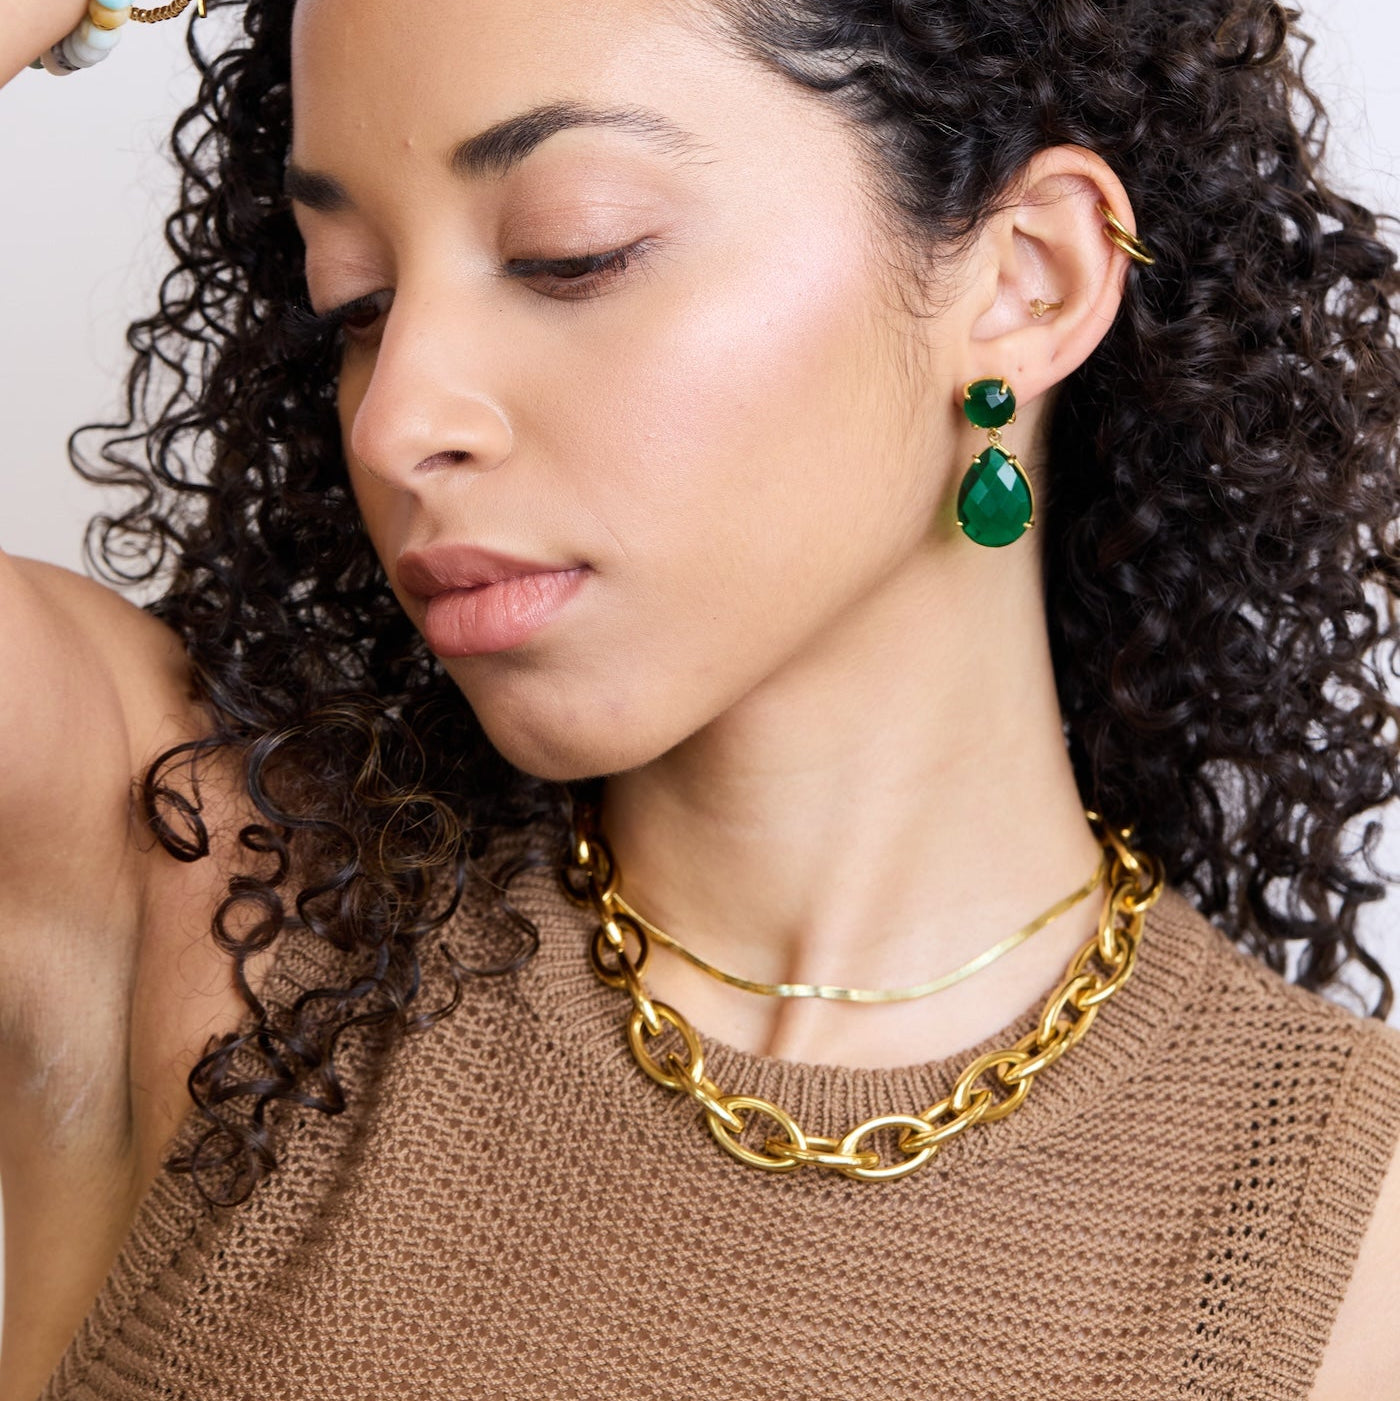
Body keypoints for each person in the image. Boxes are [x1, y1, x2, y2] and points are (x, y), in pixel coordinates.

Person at [5, 0, 1400, 1395]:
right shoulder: (196, 885)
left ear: (1025, 279)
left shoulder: (1338, 1246)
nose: (396, 416)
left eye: (574, 254)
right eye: (355, 299)